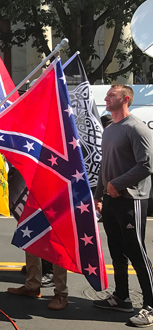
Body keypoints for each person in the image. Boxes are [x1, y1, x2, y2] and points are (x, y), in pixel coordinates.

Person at [93, 85, 153, 327]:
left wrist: (116, 184)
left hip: (131, 200)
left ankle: (150, 305)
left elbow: (146, 165)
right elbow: (104, 166)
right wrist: (99, 195)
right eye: (106, 95)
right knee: (117, 251)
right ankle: (121, 297)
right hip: (110, 201)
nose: (106, 98)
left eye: (111, 95)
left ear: (125, 99)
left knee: (137, 252)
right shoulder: (109, 130)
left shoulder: (136, 128)